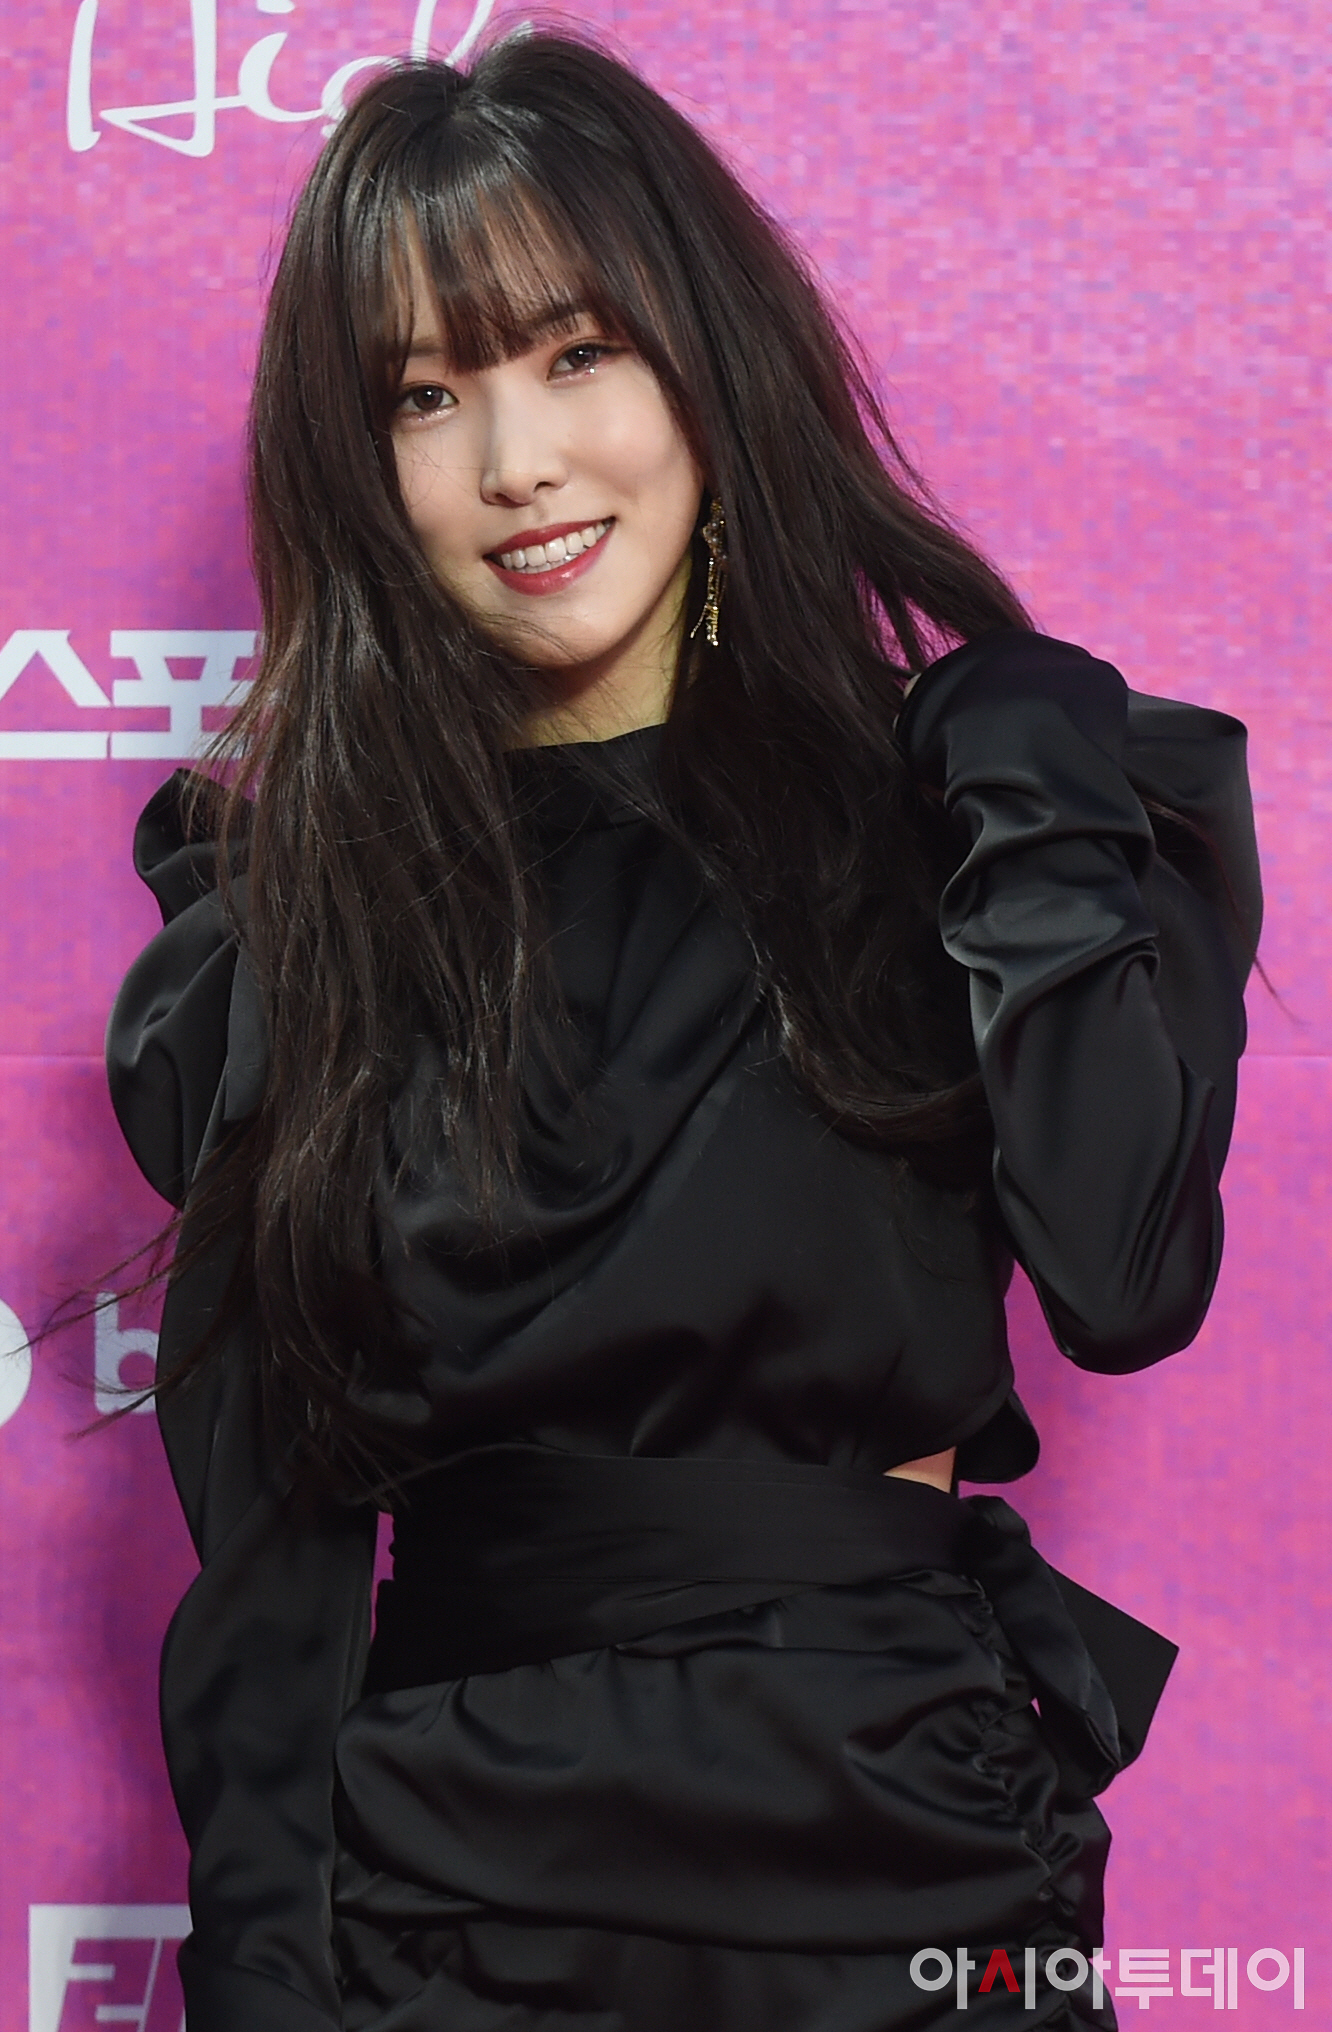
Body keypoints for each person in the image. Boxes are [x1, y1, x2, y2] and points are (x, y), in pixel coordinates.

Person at [105, 33, 1261, 2032]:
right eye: (425, 395)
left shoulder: (977, 808)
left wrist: (1024, 781)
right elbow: (271, 1578)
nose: (517, 460)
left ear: (702, 359)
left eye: (576, 354)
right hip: (456, 1908)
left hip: (910, 1864)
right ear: (358, 463)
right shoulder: (302, 919)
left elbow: (1126, 1272)